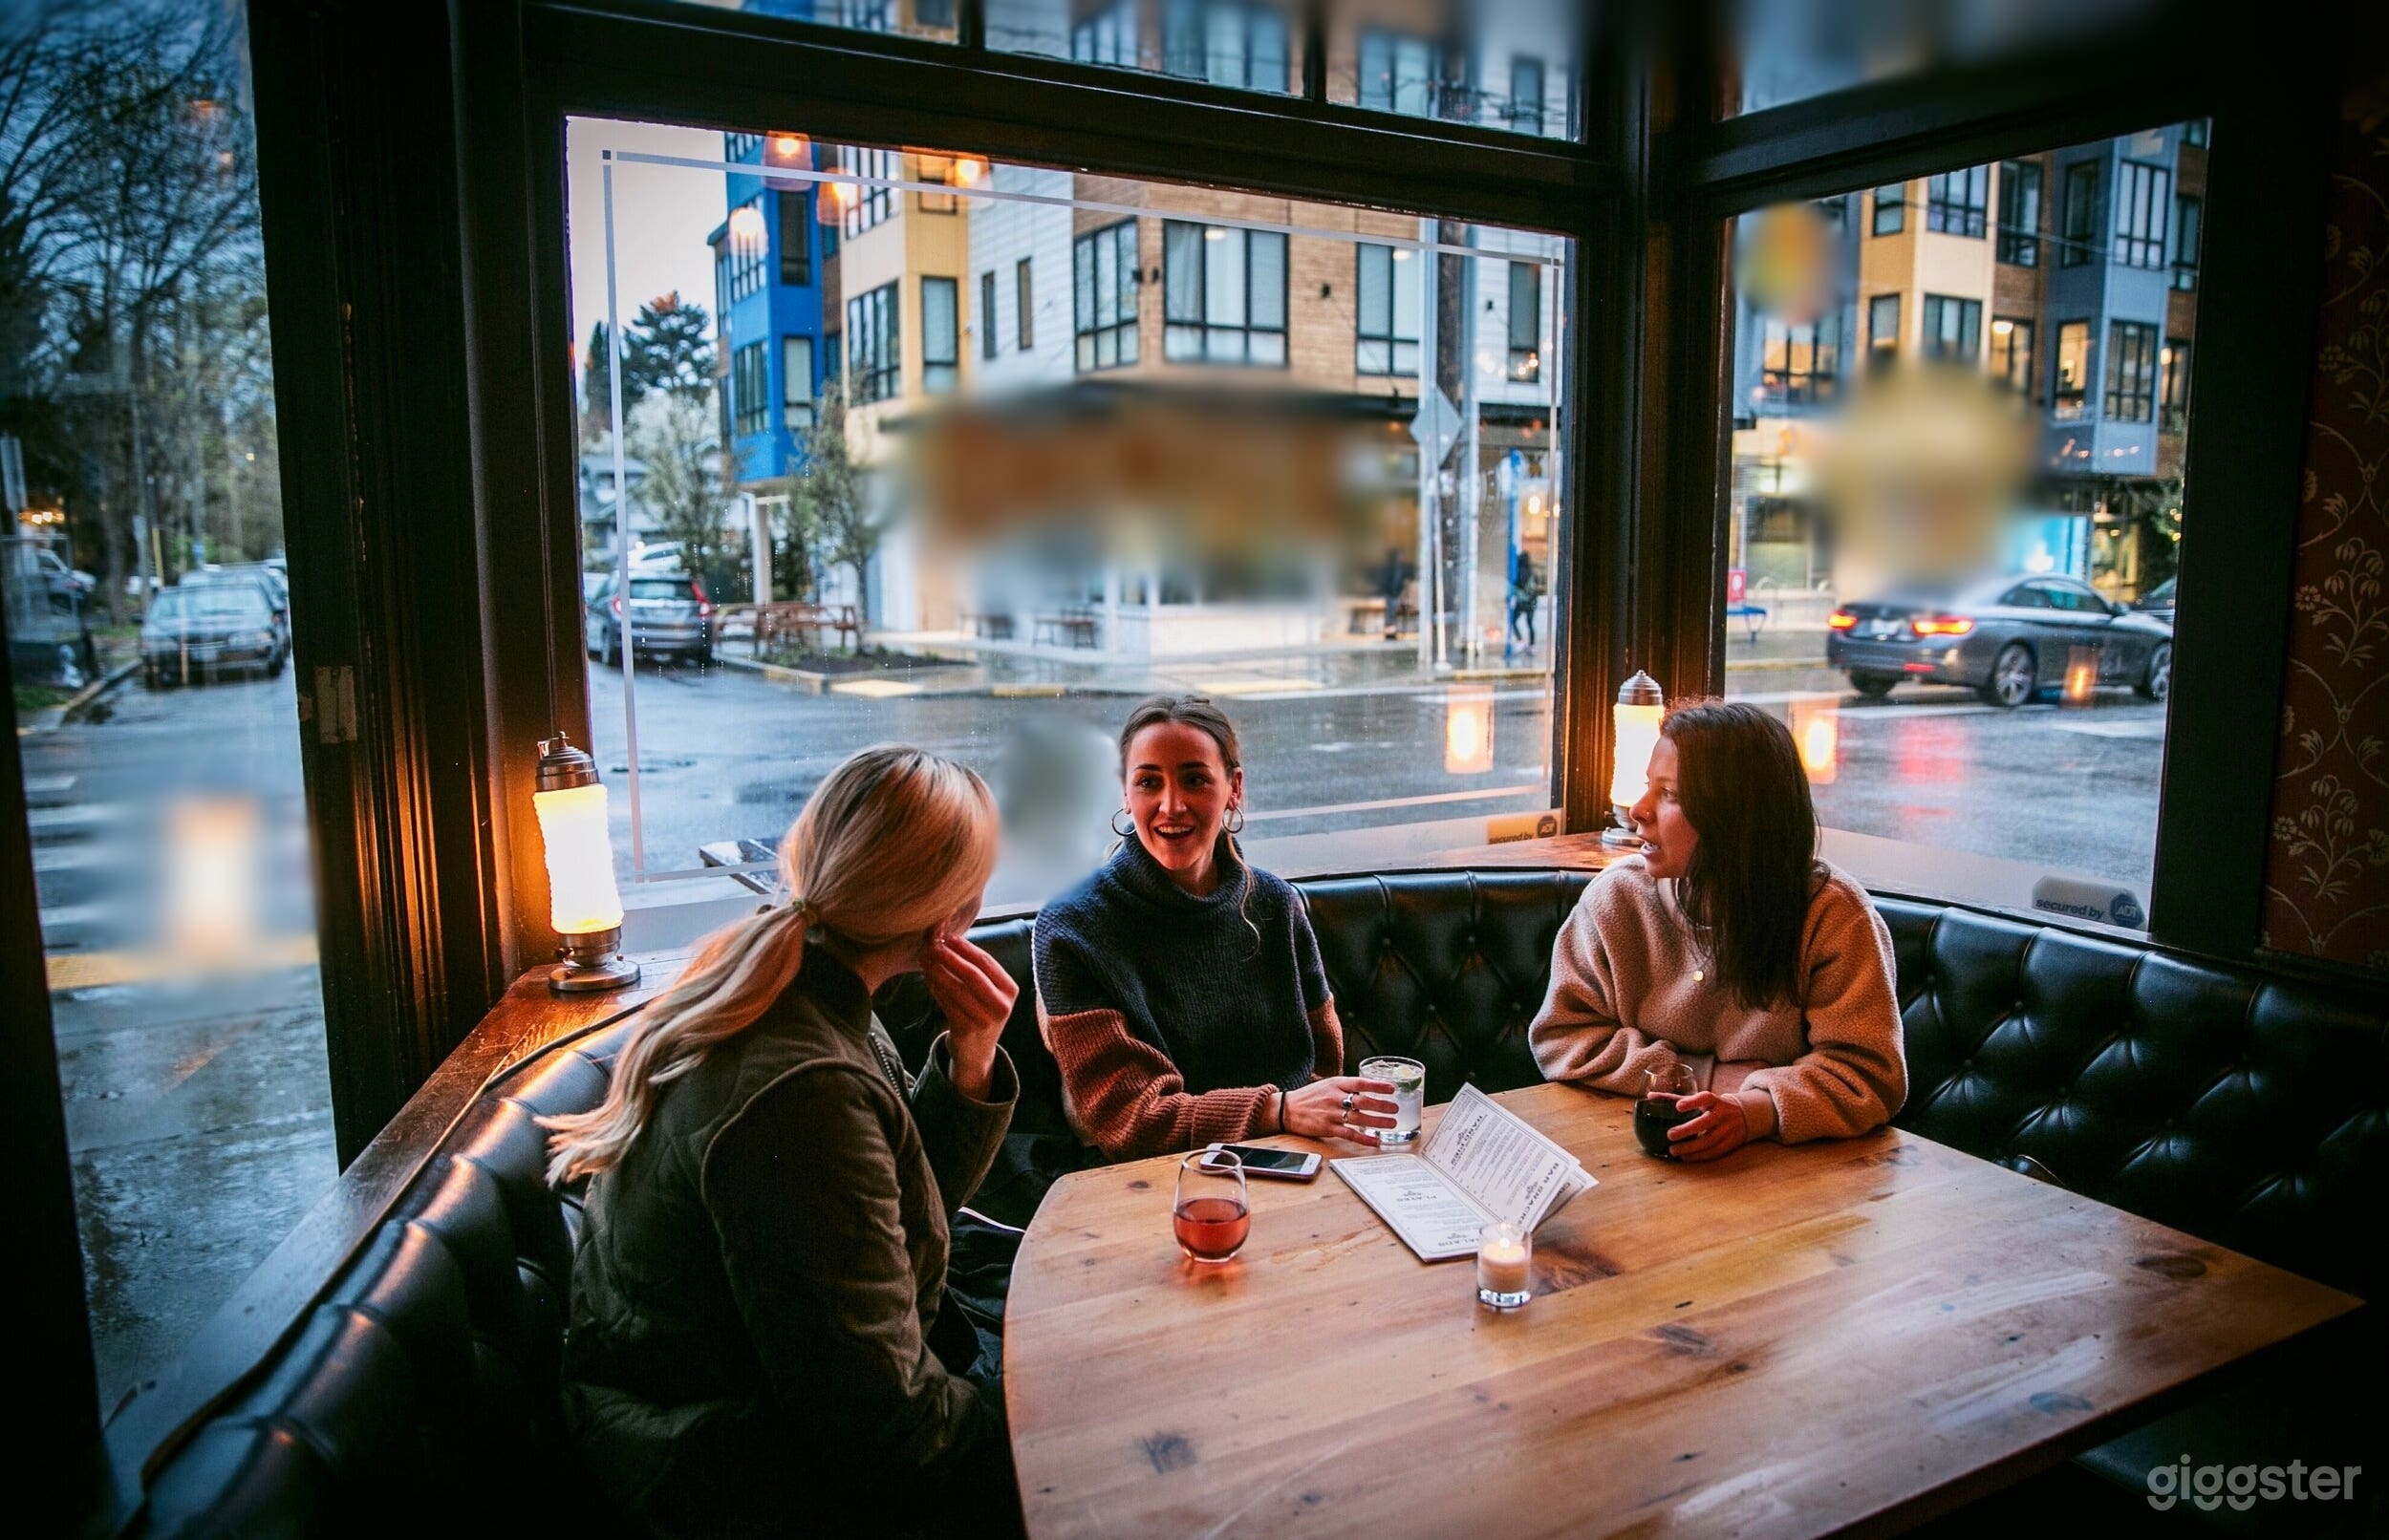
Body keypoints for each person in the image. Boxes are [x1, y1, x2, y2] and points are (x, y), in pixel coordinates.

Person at [544, 745, 1024, 1538]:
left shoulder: (802, 988)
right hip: (720, 1466)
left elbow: (885, 1229)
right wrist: (1053, 1411)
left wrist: (970, 1064)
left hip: (731, 1417)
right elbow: (891, 1436)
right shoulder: (800, 1093)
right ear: (953, 917)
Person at [1529, 700, 1905, 1159]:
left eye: (1669, 793)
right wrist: (1702, 1079)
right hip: (1623, 1157)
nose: (1638, 810)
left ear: (1736, 815)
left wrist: (1753, 1110)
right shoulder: (1617, 900)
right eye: (1649, 786)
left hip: (1795, 1181)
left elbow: (1869, 1074)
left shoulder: (1832, 915)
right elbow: (1562, 1037)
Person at [1033, 695, 1397, 1160]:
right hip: (1153, 1183)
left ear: (1234, 788)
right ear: (1126, 794)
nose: (1172, 805)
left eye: (1195, 779)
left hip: (1293, 1160)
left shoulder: (1276, 904)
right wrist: (1277, 1110)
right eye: (1148, 782)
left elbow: (1321, 1070)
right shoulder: (1072, 928)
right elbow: (1127, 1119)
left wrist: (1296, 1133)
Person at [1377, 545, 1412, 640]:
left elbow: (1403, 580)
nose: (1402, 557)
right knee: (1390, 614)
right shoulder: (1392, 567)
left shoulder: (1401, 568)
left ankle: (1391, 633)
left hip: (1395, 593)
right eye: (1401, 555)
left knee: (1392, 614)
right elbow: (1388, 580)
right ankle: (1389, 634)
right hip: (1390, 593)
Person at [1508, 548, 1540, 647]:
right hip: (1532, 602)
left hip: (1522, 602)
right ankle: (1532, 645)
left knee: (1513, 621)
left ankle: (1520, 640)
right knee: (1530, 624)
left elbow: (1516, 586)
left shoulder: (1519, 572)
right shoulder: (1532, 572)